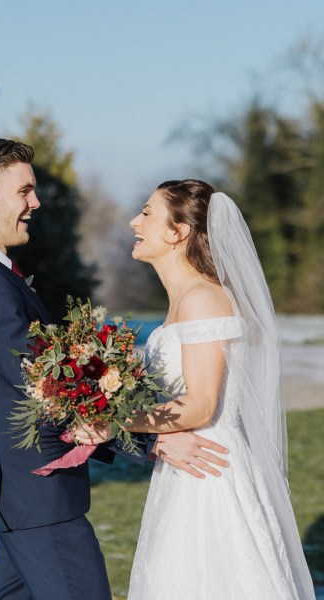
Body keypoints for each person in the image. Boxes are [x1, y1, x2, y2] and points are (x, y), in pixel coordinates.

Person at [0, 140, 229, 600]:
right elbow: (48, 386)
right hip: (37, 497)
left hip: (23, 497)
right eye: (25, 190)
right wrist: (152, 439)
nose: (36, 202)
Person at [77, 179, 315, 599]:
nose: (135, 220)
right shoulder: (184, 299)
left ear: (178, 231)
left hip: (210, 472)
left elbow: (201, 406)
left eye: (147, 212)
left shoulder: (204, 299)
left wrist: (110, 422)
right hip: (186, 463)